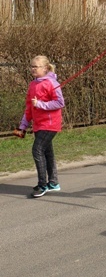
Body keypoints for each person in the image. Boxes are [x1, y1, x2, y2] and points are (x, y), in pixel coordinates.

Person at [16, 56, 65, 198]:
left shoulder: (51, 83)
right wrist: (23, 126)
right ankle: (53, 183)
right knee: (47, 153)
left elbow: (60, 103)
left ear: (45, 68)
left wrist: (41, 104)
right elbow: (29, 108)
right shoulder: (32, 85)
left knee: (37, 150)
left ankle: (42, 184)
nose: (33, 69)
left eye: (36, 66)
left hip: (50, 124)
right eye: (31, 66)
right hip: (38, 124)